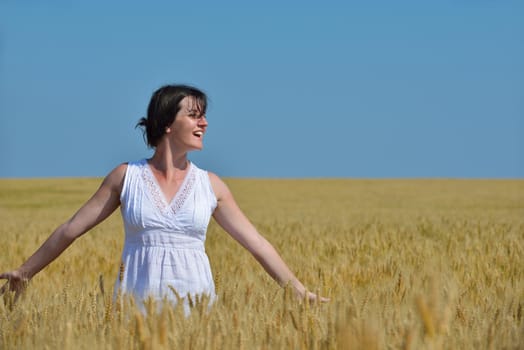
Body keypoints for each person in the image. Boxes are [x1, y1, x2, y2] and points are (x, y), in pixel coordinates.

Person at [0, 84, 328, 314]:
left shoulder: (211, 185)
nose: (205, 122)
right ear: (168, 123)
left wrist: (298, 291)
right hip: (134, 307)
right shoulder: (125, 177)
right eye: (195, 115)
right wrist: (25, 272)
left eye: (204, 115)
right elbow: (71, 228)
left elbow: (257, 244)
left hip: (195, 310)